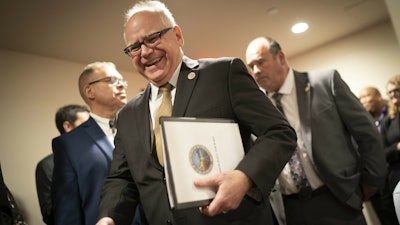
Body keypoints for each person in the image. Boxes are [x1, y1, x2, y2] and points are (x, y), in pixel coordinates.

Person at [96, 1, 297, 225]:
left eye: (152, 38)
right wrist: (108, 217)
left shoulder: (223, 74)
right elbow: (122, 178)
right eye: (134, 47)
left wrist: (244, 177)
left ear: (178, 35)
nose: (144, 52)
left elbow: (279, 133)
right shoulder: (127, 115)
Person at [245, 36, 386, 225]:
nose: (256, 71)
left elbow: (367, 134)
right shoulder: (258, 107)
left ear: (280, 57)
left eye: (260, 62)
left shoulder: (325, 83)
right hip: (291, 211)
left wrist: (370, 184)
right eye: (251, 66)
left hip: (337, 199)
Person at [52, 62, 129, 225]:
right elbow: (67, 210)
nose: (121, 85)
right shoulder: (69, 144)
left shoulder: (139, 130)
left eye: (123, 81)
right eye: (113, 80)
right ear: (89, 91)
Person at [35, 104, 90, 225]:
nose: (92, 130)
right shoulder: (47, 166)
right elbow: (49, 214)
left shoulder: (96, 159)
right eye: (86, 125)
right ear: (68, 126)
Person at [358, 87, 398, 225]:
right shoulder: (361, 122)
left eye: (366, 96)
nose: (362, 101)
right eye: (360, 98)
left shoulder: (394, 113)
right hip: (379, 185)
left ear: (379, 97)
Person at [381, 75, 400, 193]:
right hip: (397, 174)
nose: (393, 94)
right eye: (390, 92)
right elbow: (383, 152)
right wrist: (397, 147)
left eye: (396, 90)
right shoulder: (387, 121)